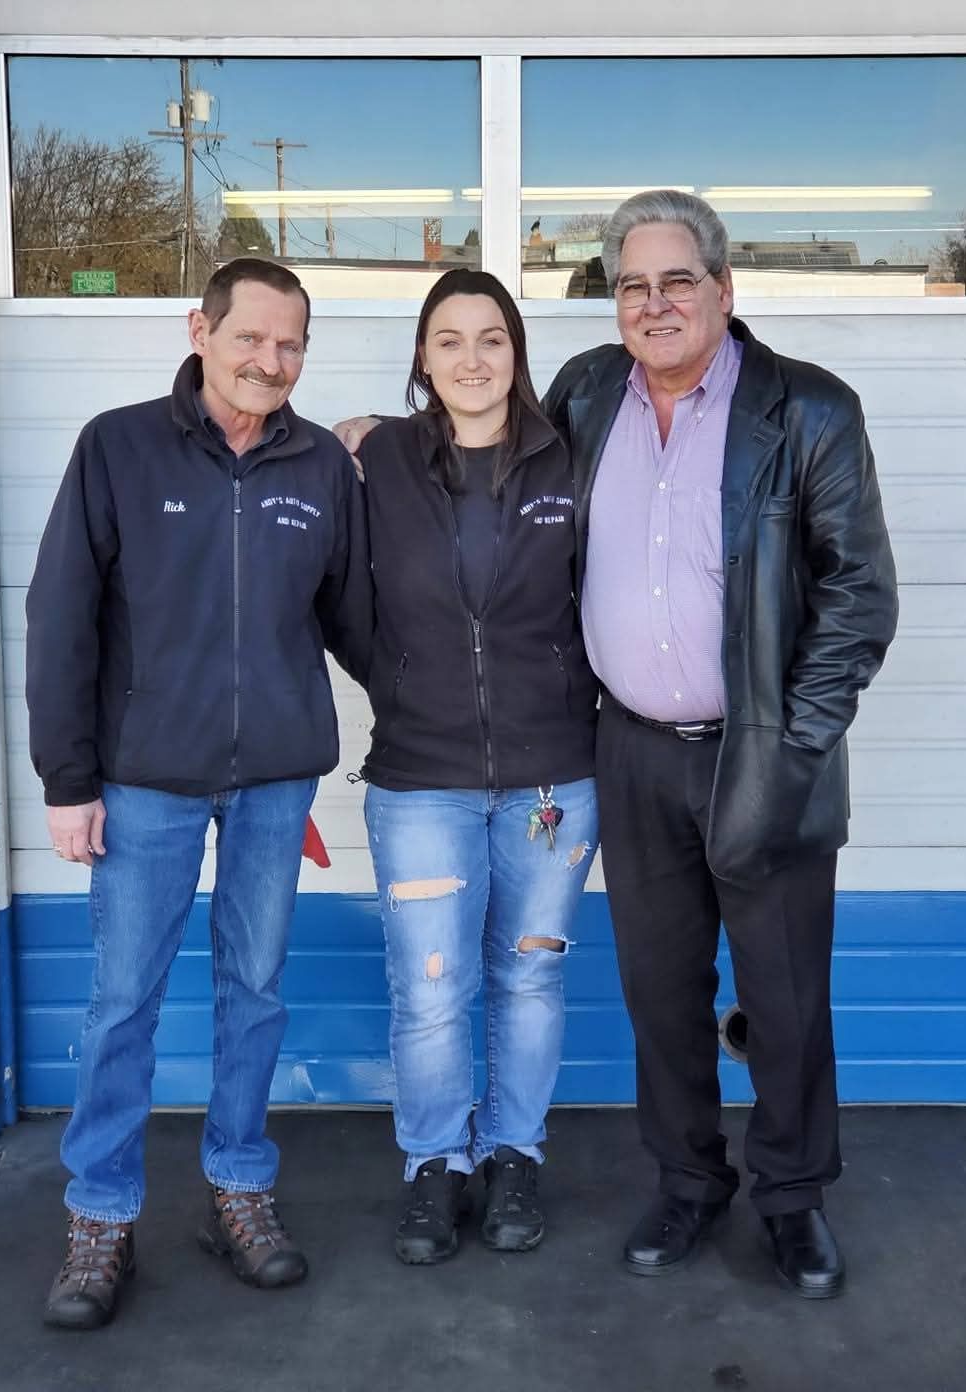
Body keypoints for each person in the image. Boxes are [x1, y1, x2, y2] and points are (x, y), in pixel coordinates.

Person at [335, 191, 898, 1298]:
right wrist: (368, 433)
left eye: (676, 280)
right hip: (627, 752)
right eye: (631, 284)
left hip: (763, 751)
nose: (653, 303)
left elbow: (858, 597)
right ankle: (689, 1183)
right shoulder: (589, 395)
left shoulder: (810, 412)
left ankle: (792, 1198)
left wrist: (794, 742)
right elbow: (470, 434)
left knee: (782, 994)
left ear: (723, 291)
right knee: (660, 989)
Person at [27, 258, 371, 1330]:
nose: (271, 362)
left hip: (274, 779)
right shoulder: (117, 447)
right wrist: (67, 779)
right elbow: (61, 618)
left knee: (254, 989)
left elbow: (358, 618)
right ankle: (99, 1213)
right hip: (143, 783)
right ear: (200, 330)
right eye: (250, 339)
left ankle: (239, 1185)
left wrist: (448, 719)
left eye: (291, 345)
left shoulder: (319, 465)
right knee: (123, 999)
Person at [356, 268, 599, 1265]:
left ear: (517, 352)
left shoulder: (570, 463)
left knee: (529, 983)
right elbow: (339, 596)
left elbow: (608, 597)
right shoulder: (376, 464)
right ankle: (432, 1166)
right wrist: (405, 676)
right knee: (430, 987)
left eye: (490, 338)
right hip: (420, 778)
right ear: (422, 356)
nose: (470, 359)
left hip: (552, 778)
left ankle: (512, 1155)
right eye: (448, 340)